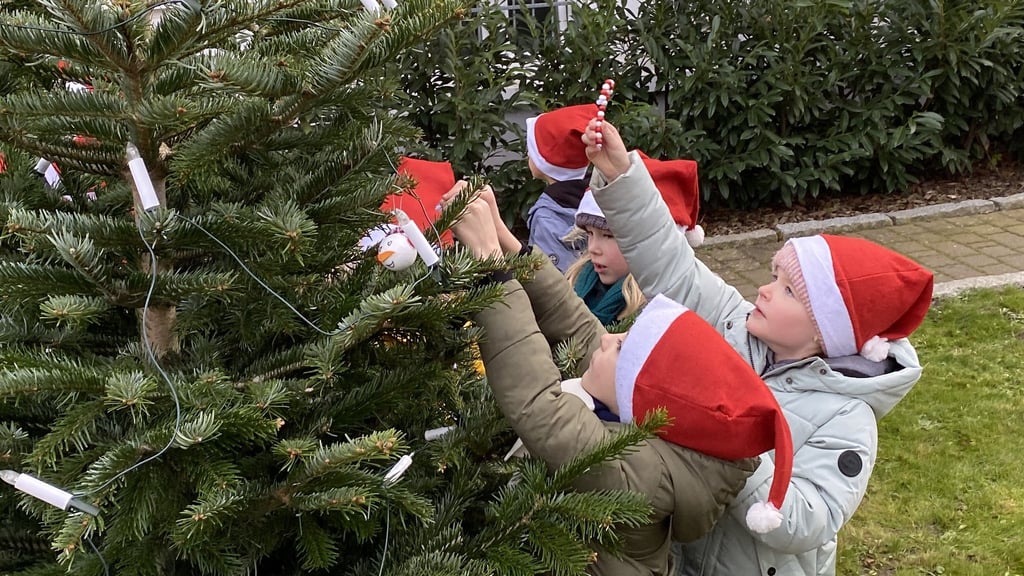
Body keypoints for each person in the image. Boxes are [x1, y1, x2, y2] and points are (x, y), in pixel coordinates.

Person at [578, 119, 935, 576]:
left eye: (788, 291)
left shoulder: (847, 418)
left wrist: (735, 439)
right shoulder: (733, 325)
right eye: (773, 277)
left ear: (825, 332)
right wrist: (622, 175)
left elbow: (807, 520)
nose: (764, 291)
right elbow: (671, 264)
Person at [444, 188, 805, 575]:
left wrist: (492, 270)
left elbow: (539, 407)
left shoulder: (644, 477)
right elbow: (582, 330)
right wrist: (508, 243)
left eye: (622, 348)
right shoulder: (651, 427)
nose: (608, 339)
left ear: (638, 399)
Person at [565, 153, 704, 326]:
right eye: (590, 234)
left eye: (608, 236)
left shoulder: (662, 311)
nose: (593, 248)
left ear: (652, 244)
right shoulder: (575, 283)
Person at [523, 104, 595, 272]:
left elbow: (546, 275)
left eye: (531, 149)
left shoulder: (545, 216)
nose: (528, 154)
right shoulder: (595, 197)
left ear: (545, 161)